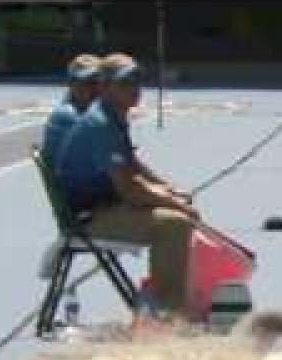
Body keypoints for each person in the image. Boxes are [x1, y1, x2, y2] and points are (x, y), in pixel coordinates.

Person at [54, 53, 202, 314]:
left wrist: (169, 188)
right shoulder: (100, 123)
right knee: (175, 224)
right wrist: (173, 202)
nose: (134, 89)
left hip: (107, 206)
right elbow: (129, 189)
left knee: (179, 211)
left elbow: (132, 166)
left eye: (137, 81)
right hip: (89, 218)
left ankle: (170, 301)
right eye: (124, 83)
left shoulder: (113, 116)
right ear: (105, 87)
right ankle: (169, 314)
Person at [40, 53, 101, 163]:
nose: (94, 88)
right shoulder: (68, 115)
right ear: (71, 83)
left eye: (96, 82)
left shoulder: (82, 111)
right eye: (87, 83)